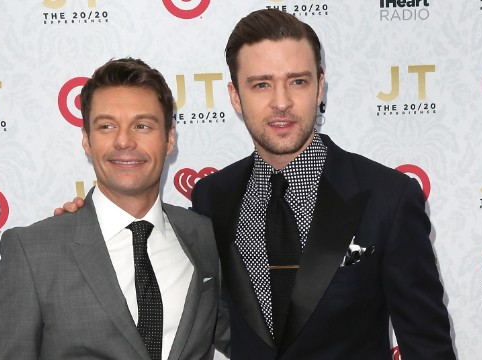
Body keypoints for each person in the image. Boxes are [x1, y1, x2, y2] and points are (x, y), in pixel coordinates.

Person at [58, 9, 456, 360]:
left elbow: (428, 346)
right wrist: (90, 224)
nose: (281, 102)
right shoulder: (212, 198)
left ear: (320, 87)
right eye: (261, 84)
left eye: (297, 82)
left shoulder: (388, 196)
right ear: (235, 96)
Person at [0, 58, 223, 360]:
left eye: (142, 125)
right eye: (107, 126)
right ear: (86, 140)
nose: (124, 141)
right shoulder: (32, 252)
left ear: (169, 138)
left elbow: (245, 335)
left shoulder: (204, 236)